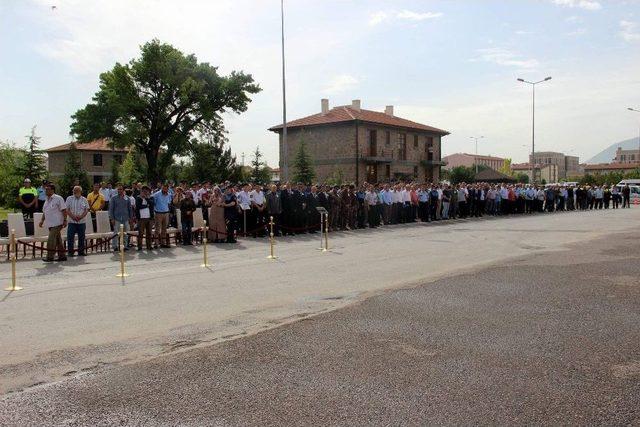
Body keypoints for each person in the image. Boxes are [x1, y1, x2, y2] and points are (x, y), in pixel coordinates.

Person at [39, 184, 67, 262]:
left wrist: (65, 220)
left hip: (57, 223)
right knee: (58, 240)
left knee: (51, 240)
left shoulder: (58, 198)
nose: (46, 190)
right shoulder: (46, 199)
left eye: (48, 189)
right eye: (46, 189)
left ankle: (50, 257)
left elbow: (64, 210)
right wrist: (42, 220)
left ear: (52, 190)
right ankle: (62, 256)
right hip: (50, 224)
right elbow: (45, 212)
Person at [108, 184, 133, 252]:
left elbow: (130, 209)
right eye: (118, 189)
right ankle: (115, 246)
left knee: (125, 233)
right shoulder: (113, 198)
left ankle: (124, 246)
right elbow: (111, 209)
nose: (119, 190)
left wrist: (131, 218)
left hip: (125, 218)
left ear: (123, 190)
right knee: (116, 233)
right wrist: (112, 219)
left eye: (121, 189)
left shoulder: (127, 198)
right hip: (117, 218)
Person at [65, 185, 89, 257]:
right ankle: (70, 252)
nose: (75, 192)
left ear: (80, 192)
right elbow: (67, 209)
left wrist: (81, 217)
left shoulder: (84, 199)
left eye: (77, 191)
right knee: (70, 237)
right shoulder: (69, 198)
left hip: (81, 222)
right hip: (72, 222)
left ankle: (81, 252)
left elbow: (86, 209)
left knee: (81, 237)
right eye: (74, 191)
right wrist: (73, 217)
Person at [153, 184, 173, 248]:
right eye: (163, 188)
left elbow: (169, 203)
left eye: (166, 189)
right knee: (157, 229)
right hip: (158, 213)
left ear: (168, 189)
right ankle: (156, 243)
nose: (165, 190)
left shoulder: (169, 194)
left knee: (164, 229)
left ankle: (163, 243)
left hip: (166, 213)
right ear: (162, 188)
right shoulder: (156, 194)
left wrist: (169, 212)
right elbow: (153, 203)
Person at [135, 185, 154, 251]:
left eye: (146, 191)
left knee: (149, 233)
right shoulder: (138, 198)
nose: (145, 192)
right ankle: (139, 246)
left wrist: (146, 198)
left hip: (149, 218)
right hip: (141, 218)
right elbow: (138, 206)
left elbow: (151, 205)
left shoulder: (150, 198)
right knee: (141, 233)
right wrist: (146, 205)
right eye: (143, 191)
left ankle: (149, 246)